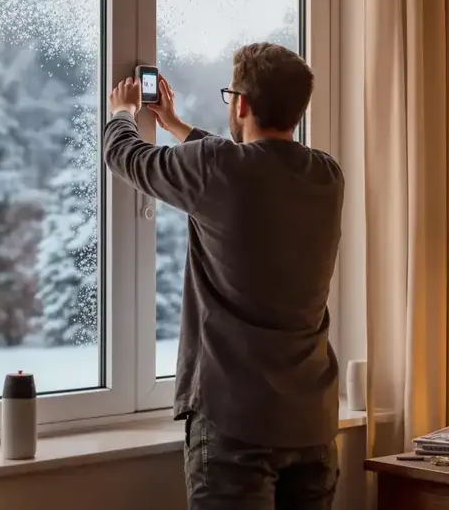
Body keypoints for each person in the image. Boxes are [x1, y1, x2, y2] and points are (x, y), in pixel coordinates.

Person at [102, 42, 344, 510]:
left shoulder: (217, 168)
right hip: (312, 425)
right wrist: (175, 125)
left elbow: (127, 158)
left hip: (236, 425)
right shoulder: (327, 176)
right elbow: (246, 168)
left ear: (241, 103)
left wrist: (122, 112)